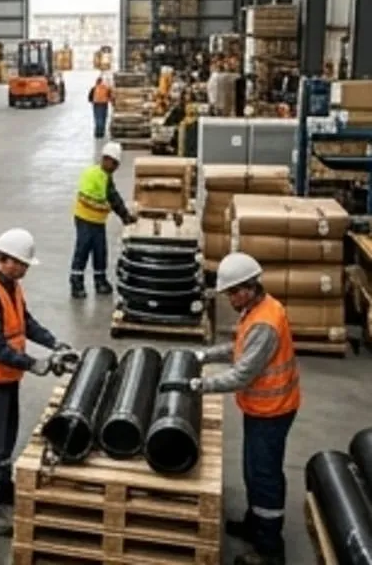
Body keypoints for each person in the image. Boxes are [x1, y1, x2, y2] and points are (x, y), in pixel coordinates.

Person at [167, 252, 300, 565]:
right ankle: (255, 525)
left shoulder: (265, 323)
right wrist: (203, 356)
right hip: (260, 409)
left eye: (232, 293)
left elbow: (241, 375)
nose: (230, 300)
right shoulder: (256, 311)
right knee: (253, 470)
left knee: (264, 475)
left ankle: (269, 549)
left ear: (248, 288)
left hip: (273, 411)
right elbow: (239, 347)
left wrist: (197, 385)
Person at [0, 228, 78, 537]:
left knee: (5, 438)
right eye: (23, 264)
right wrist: (34, 363)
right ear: (7, 260)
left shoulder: (10, 285)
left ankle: (1, 489)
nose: (26, 270)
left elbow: (25, 321)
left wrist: (54, 343)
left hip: (5, 378)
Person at [70, 142, 136, 299]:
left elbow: (113, 197)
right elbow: (86, 198)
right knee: (83, 249)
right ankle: (76, 282)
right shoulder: (90, 174)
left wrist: (125, 216)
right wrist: (105, 208)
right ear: (105, 159)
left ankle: (100, 280)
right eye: (114, 163)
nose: (115, 168)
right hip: (85, 219)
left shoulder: (107, 177)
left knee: (100, 250)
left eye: (117, 165)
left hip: (98, 221)